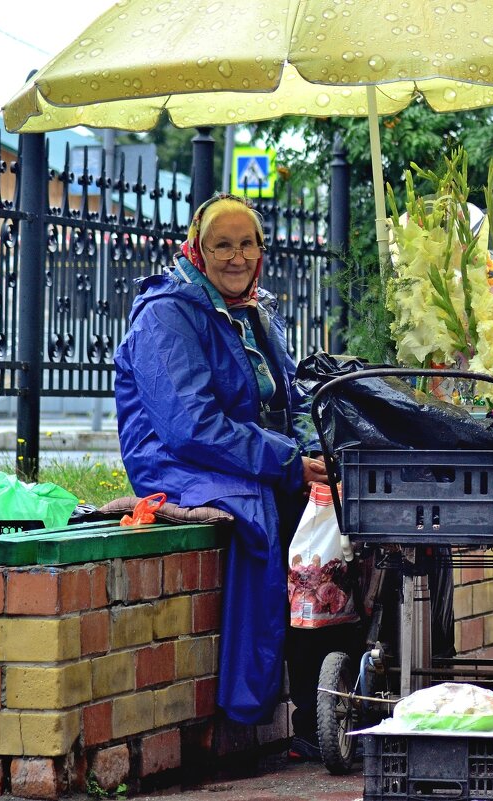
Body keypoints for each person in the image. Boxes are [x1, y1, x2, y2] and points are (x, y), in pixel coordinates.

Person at [115, 194, 331, 756]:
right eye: (222, 245)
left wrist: (315, 450)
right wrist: (287, 463)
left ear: (261, 251)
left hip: (250, 450)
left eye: (247, 244)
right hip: (176, 459)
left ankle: (318, 711)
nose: (236, 257)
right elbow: (190, 424)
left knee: (334, 515)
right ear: (197, 249)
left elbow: (295, 397)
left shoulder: (256, 309)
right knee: (262, 513)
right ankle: (247, 704)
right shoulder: (167, 312)